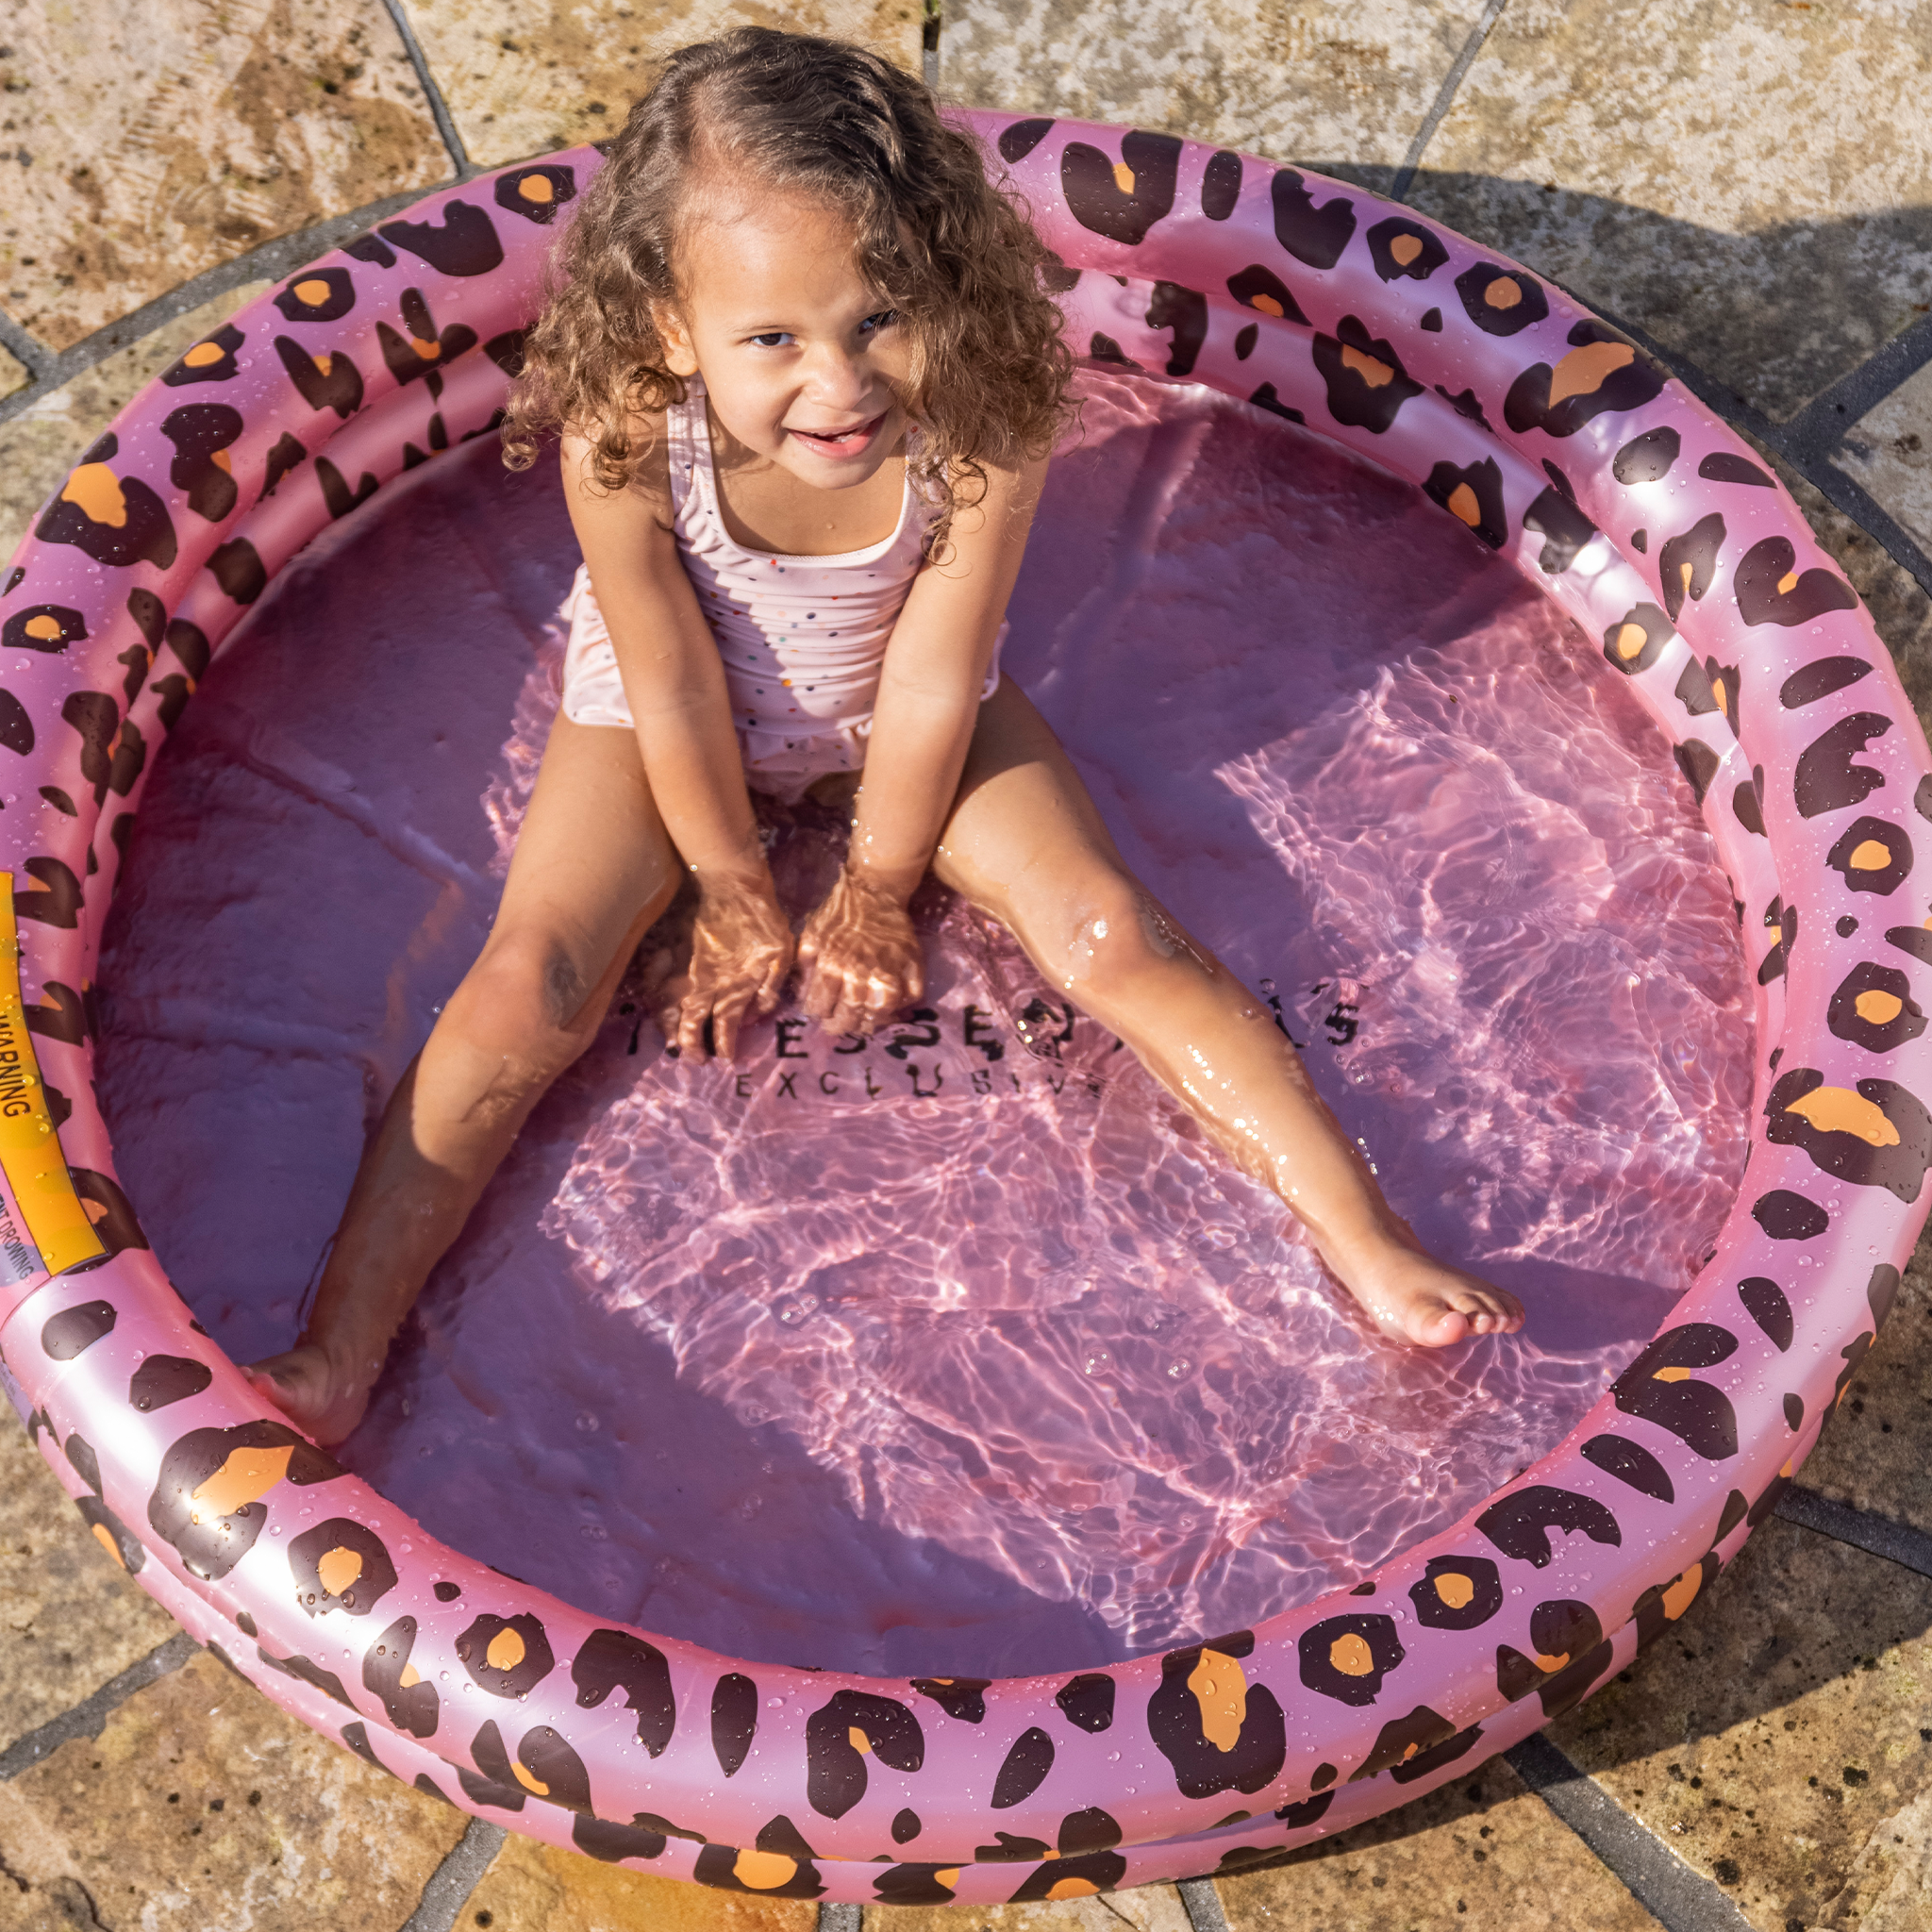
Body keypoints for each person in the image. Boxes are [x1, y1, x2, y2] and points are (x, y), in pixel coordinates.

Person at [243, 25, 1522, 1448]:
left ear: (944, 283)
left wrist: (877, 884)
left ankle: (1370, 1243)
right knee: (532, 977)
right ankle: (338, 1351)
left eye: (879, 317)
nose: (840, 383)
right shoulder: (625, 424)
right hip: (666, 718)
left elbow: (934, 673)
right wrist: (728, 883)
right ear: (672, 327)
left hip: (905, 710)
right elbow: (664, 676)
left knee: (1112, 935)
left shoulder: (980, 414)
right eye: (774, 339)